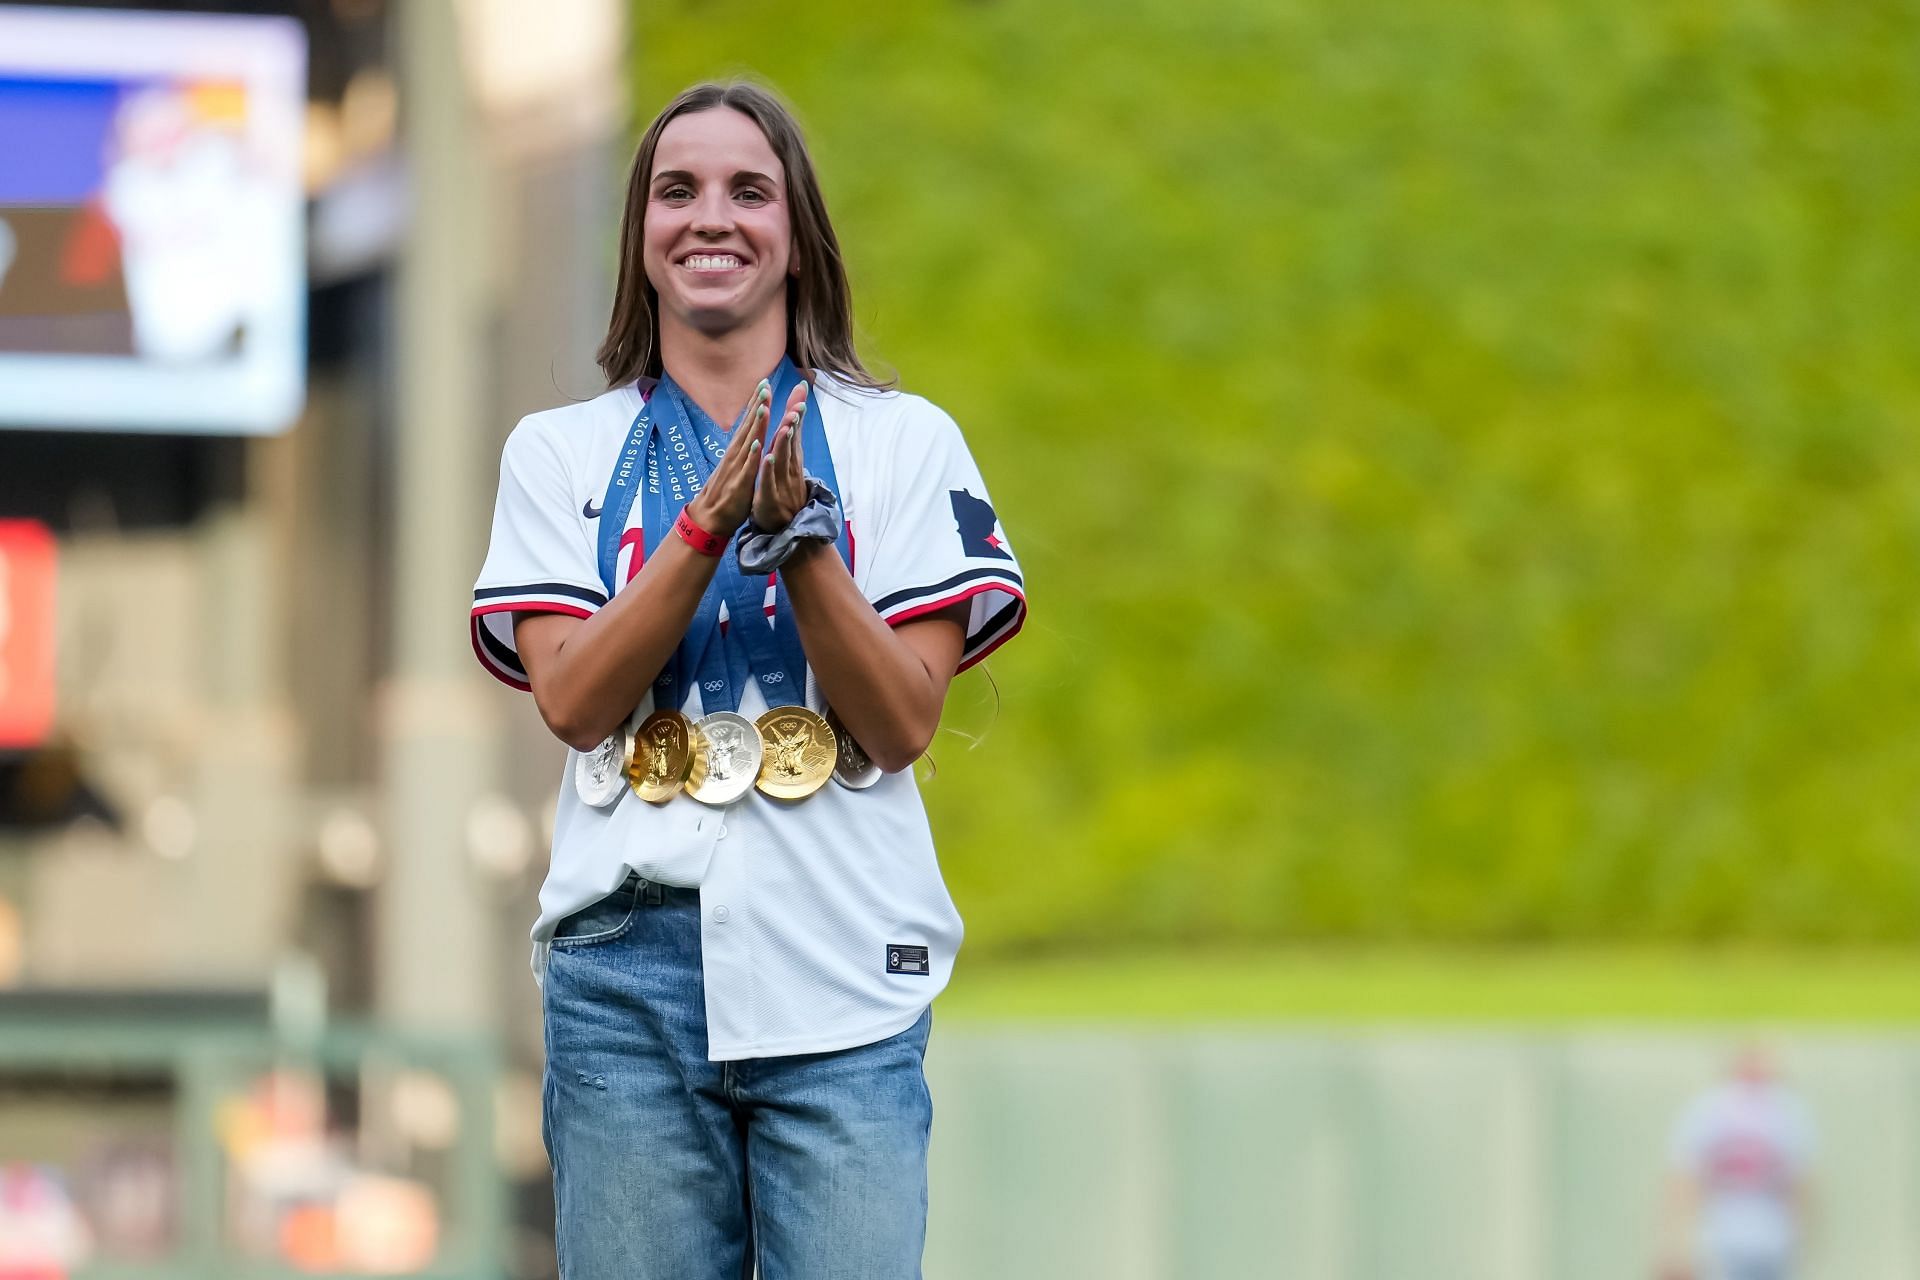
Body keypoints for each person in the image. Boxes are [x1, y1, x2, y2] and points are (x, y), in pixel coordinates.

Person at [469, 80, 1026, 1279]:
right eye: (677, 190)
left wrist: (803, 542)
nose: (710, 217)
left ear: (796, 234)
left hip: (845, 960)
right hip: (625, 968)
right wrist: (704, 531)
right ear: (641, 237)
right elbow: (572, 705)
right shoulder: (556, 450)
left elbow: (899, 721)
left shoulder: (903, 441)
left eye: (748, 190)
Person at [1655, 1045, 1816, 1280]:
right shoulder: (1786, 1111)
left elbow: (1800, 1185)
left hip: (1741, 1237)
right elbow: (1801, 1186)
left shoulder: (1709, 1109)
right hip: (1751, 1238)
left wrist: (1673, 1242)